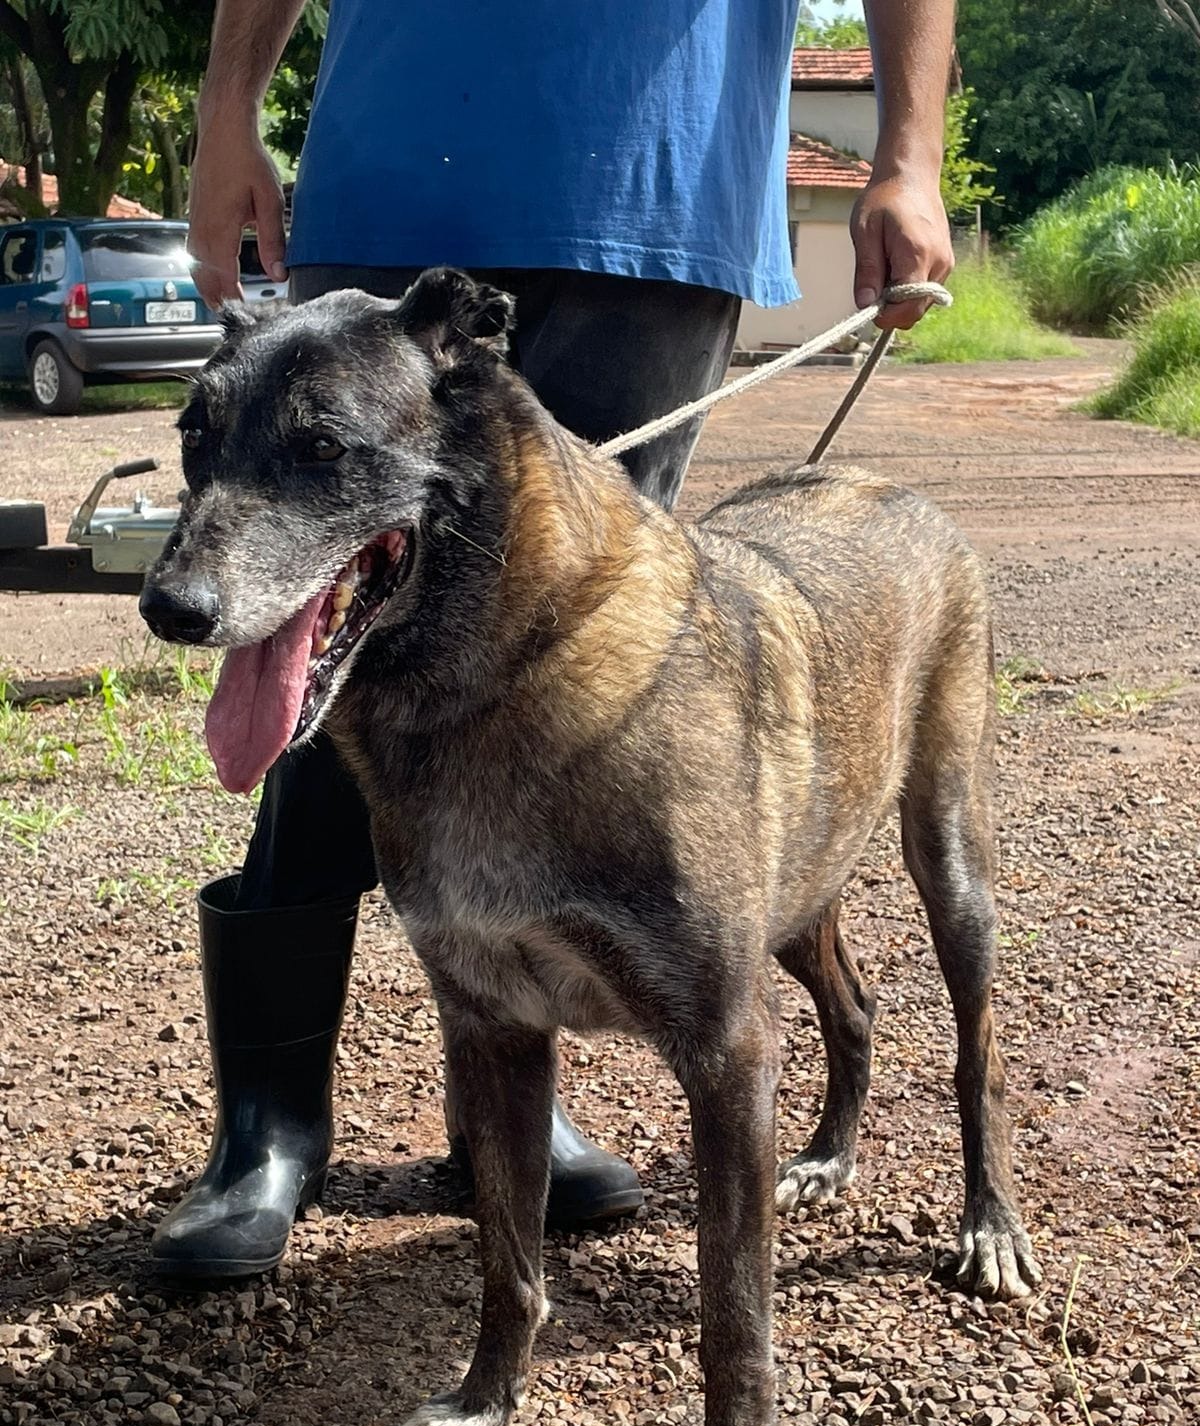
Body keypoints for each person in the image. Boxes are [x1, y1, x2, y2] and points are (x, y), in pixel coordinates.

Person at [152, 0, 955, 1278]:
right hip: (392, 165)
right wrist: (224, 114)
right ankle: (270, 1125)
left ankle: (506, 1098)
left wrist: (908, 153)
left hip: (657, 189)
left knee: (597, 680)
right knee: (323, 667)